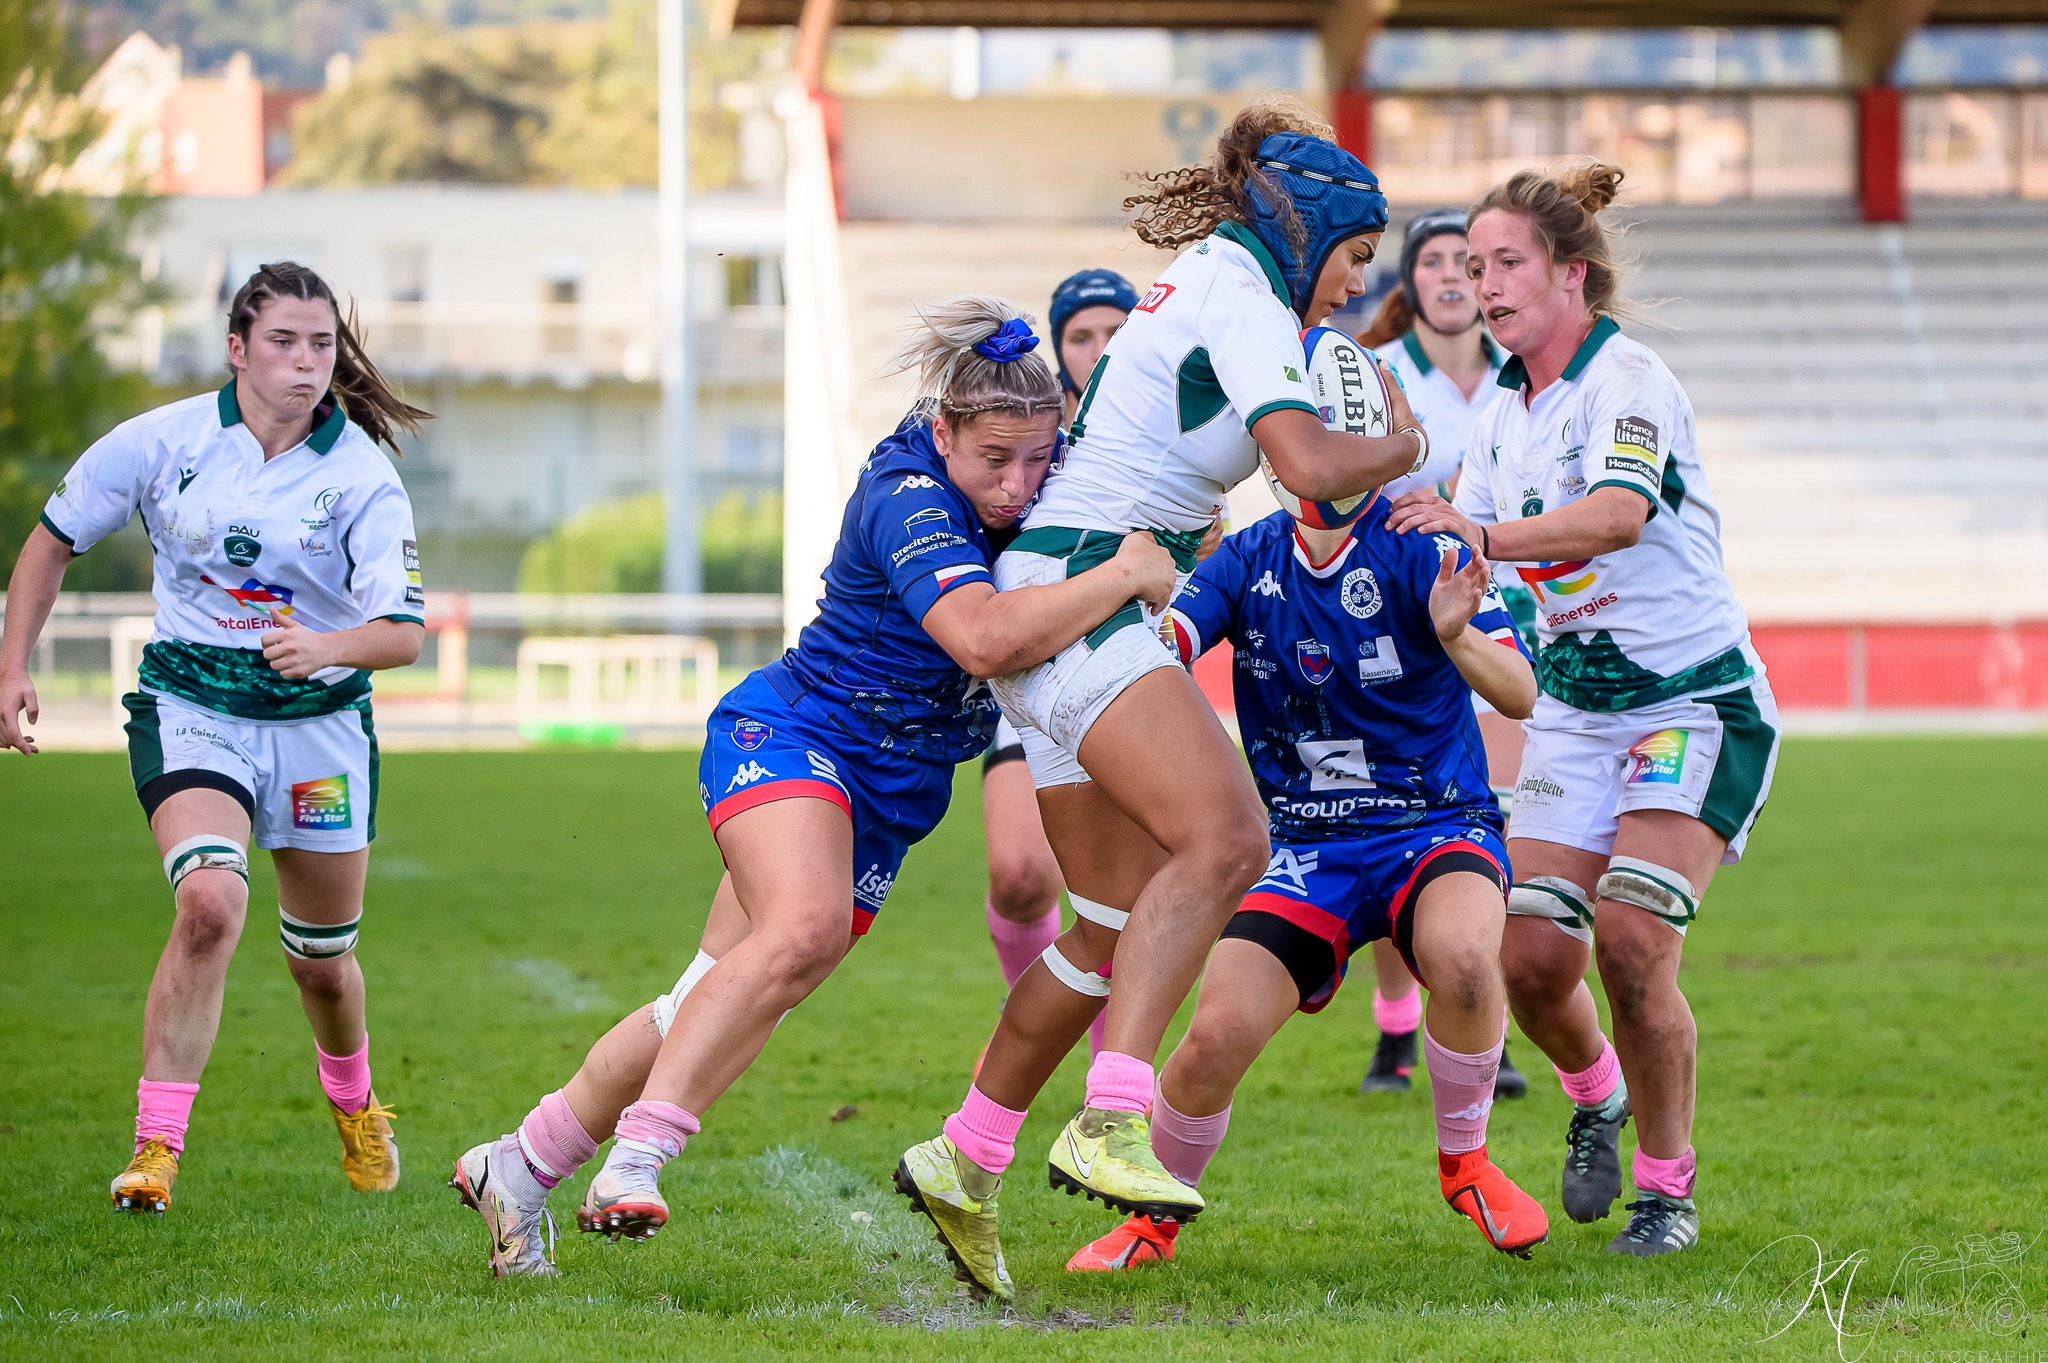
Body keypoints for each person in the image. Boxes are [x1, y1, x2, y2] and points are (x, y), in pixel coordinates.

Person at [447, 296, 1179, 1278]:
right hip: (796, 735)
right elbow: (981, 638)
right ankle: (637, 1156)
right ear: (942, 433)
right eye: (993, 460)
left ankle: (519, 1162)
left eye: (1036, 459)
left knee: (706, 999)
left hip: (889, 791)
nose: (1016, 485)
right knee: (805, 930)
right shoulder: (909, 494)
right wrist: (1123, 572)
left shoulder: (1029, 481)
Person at [894, 95, 1432, 1303]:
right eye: (1353, 256)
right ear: (1307, 232)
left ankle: (964, 1152)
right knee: (1230, 839)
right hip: (1089, 596)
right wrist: (1404, 447)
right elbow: (1308, 472)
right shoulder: (1246, 297)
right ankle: (1111, 1115)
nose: (1357, 285)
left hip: (1061, 598)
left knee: (1104, 923)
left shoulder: (1214, 279)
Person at [1387, 163, 1781, 1257]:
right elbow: (1455, 554)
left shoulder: (1628, 379)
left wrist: (1478, 537)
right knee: (1527, 961)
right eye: (1473, 266)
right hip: (1574, 712)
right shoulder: (1501, 419)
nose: (1483, 285)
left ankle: (1665, 1192)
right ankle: (1597, 1096)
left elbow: (1613, 516)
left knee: (1632, 941)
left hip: (1692, 703)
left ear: (1571, 274)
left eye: (1505, 262)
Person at [0, 261, 431, 1215]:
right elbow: (51, 537)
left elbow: (402, 633)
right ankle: (154, 1149)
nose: (306, 362)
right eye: (283, 341)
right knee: (208, 903)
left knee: (322, 963)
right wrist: (9, 665)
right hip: (193, 705)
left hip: (318, 727)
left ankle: (355, 1105)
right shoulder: (162, 441)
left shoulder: (362, 473)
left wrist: (325, 646)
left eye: (321, 344)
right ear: (237, 348)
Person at [1066, 494, 1547, 1272]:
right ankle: (1151, 1221)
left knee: (1463, 957)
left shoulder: (1426, 544)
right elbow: (1160, 652)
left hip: (1435, 823)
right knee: (1216, 1033)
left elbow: (1520, 692)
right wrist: (1140, 589)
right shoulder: (1246, 556)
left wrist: (1456, 634)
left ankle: (1466, 1164)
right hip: (1308, 845)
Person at [1353, 210, 1526, 1100]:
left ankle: (1484, 1012)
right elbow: (1350, 489)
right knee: (1398, 822)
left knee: (1496, 824)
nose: (1455, 275)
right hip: (1404, 618)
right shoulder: (1376, 374)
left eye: (1470, 261)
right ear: (1411, 280)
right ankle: (1395, 1024)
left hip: (1510, 614)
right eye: (1435, 261)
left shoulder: (1523, 374)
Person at [975, 269, 1140, 1033]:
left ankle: (1099, 1069)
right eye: (1081, 335)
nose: (1099, 348)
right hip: (1030, 677)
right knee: (1018, 875)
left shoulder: (1158, 435)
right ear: (1057, 347)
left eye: (1116, 332)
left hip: (1124, 679)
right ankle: (1032, 1020)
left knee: (1114, 898)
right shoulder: (1028, 443)